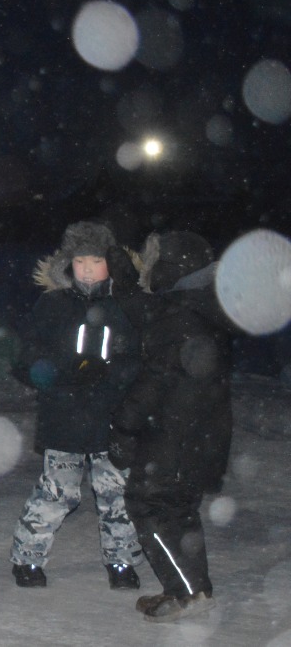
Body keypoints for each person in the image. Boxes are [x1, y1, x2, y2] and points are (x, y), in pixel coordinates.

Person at [9, 220, 144, 590]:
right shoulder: (52, 304)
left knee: (116, 496)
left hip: (112, 419)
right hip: (64, 417)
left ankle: (121, 562)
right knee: (57, 494)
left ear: (111, 263)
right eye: (80, 260)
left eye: (96, 260)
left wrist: (113, 375)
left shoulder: (124, 305)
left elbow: (140, 358)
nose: (87, 268)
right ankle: (28, 560)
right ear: (69, 263)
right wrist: (64, 372)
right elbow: (24, 360)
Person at [110, 231, 231, 622]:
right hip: (200, 435)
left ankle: (189, 592)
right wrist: (126, 284)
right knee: (179, 511)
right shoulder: (199, 306)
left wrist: (125, 427)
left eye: (155, 262)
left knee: (149, 505)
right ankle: (192, 586)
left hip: (173, 435)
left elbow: (154, 382)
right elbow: (148, 311)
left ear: (172, 267)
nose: (150, 270)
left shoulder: (178, 317)